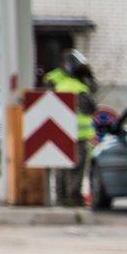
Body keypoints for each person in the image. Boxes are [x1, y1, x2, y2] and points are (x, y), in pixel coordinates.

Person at [44, 51, 96, 207]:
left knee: (61, 166)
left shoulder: (56, 83)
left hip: (59, 133)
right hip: (79, 135)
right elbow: (90, 109)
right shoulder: (78, 88)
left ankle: (60, 197)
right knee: (77, 169)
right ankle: (73, 198)